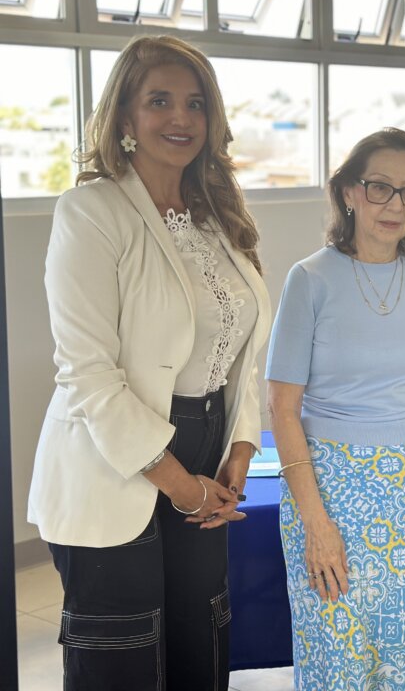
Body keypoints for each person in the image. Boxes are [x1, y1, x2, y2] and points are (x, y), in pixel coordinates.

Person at [27, 35, 271, 691]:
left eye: (196, 103)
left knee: (201, 647)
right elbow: (87, 372)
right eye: (159, 100)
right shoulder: (91, 211)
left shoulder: (217, 217)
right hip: (114, 461)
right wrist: (178, 482)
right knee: (123, 661)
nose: (180, 117)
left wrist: (240, 448)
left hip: (208, 450)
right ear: (126, 116)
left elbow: (241, 351)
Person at [266, 128, 405, 690]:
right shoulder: (309, 279)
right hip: (332, 495)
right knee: (339, 658)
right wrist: (316, 523)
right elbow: (282, 408)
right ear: (348, 193)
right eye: (379, 187)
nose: (395, 205)